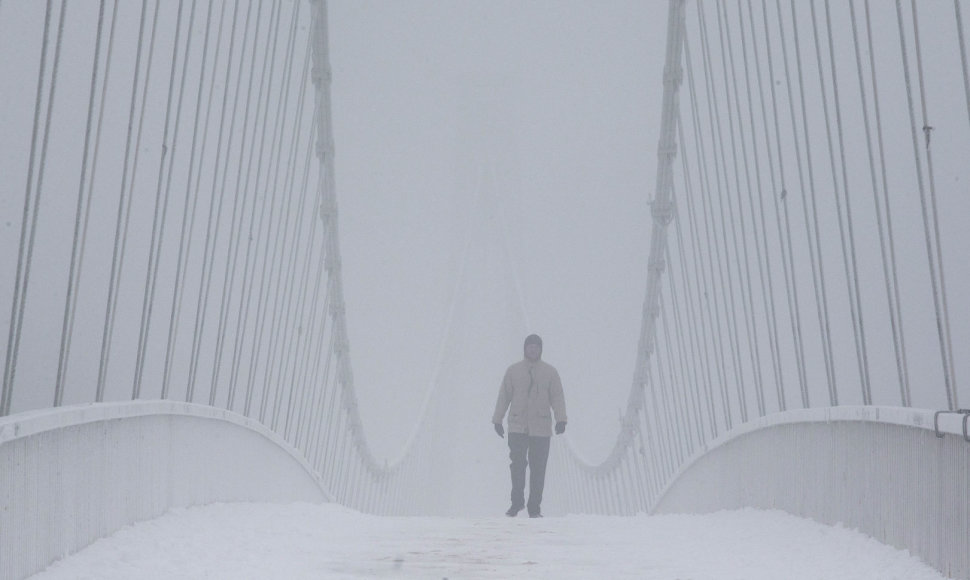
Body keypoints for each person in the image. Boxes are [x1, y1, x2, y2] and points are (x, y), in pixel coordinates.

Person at [492, 334, 567, 518]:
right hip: (518, 426)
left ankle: (534, 507)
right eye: (530, 346)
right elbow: (504, 396)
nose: (533, 349)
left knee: (538, 468)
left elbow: (557, 397)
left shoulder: (550, 372)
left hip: (541, 428)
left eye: (536, 346)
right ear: (524, 348)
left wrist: (561, 419)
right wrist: (497, 419)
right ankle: (516, 503)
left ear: (541, 349)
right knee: (517, 466)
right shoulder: (513, 371)